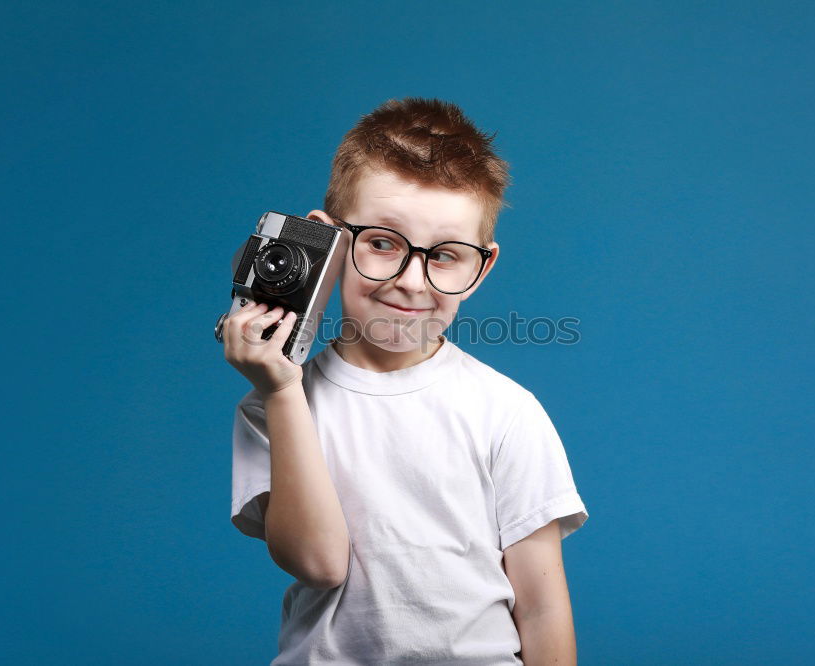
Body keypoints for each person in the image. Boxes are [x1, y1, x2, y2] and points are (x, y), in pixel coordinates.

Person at [223, 97, 589, 665]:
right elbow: (319, 563)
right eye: (382, 242)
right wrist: (282, 389)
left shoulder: (505, 410)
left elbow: (542, 608)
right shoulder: (272, 406)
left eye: (444, 255)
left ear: (481, 267)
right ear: (329, 244)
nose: (412, 282)